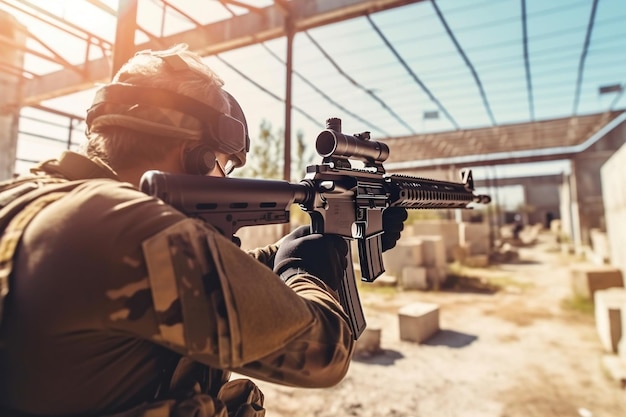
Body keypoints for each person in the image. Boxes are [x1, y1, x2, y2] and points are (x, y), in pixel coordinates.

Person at [0, 43, 407, 417]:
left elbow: (193, 282)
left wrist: (295, 247)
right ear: (194, 154)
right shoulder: (126, 228)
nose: (223, 179)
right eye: (223, 166)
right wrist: (306, 273)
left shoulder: (34, 200)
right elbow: (325, 352)